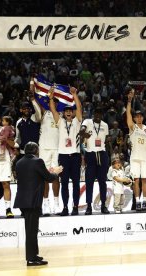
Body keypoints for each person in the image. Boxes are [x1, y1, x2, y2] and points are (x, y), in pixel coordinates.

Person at [14, 142, 62, 266]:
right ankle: (31, 258)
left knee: (32, 229)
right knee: (31, 230)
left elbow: (33, 176)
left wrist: (47, 172)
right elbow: (49, 178)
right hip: (33, 200)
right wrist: (56, 172)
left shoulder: (19, 162)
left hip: (23, 201)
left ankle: (34, 255)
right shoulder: (38, 161)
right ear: (36, 150)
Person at [49, 85, 83, 216]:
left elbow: (79, 107)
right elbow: (52, 110)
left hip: (75, 156)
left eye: (70, 110)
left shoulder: (77, 121)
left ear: (73, 113)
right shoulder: (60, 122)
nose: (69, 112)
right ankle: (64, 208)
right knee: (64, 184)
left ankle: (75, 207)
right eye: (66, 111)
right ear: (63, 113)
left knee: (75, 183)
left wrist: (75, 95)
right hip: (63, 156)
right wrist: (51, 98)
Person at [32, 81, 60, 215]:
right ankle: (45, 203)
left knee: (55, 177)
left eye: (55, 101)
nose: (52, 103)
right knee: (44, 178)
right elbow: (36, 101)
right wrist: (33, 90)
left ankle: (56, 203)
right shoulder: (43, 112)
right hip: (44, 149)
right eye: (51, 101)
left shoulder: (61, 115)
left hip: (57, 149)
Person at [126, 88, 146, 211]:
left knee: (144, 180)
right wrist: (129, 101)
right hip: (134, 158)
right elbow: (128, 114)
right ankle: (137, 201)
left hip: (145, 157)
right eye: (136, 116)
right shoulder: (132, 127)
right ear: (134, 118)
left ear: (142, 118)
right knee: (136, 180)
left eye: (140, 116)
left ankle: (144, 201)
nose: (139, 118)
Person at [80, 108, 110, 215]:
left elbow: (106, 140)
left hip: (102, 154)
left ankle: (103, 205)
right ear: (93, 114)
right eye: (96, 113)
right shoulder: (87, 122)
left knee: (103, 182)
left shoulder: (105, 125)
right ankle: (88, 206)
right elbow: (81, 131)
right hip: (91, 154)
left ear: (102, 115)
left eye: (100, 114)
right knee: (89, 182)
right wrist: (83, 133)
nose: (98, 115)